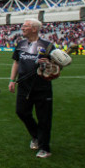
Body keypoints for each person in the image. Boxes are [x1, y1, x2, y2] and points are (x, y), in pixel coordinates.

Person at [8, 18, 56, 159]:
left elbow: (57, 67)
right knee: (21, 112)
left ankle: (44, 148)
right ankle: (36, 136)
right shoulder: (20, 44)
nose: (22, 28)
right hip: (23, 85)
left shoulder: (48, 46)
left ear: (34, 29)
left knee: (44, 118)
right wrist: (12, 80)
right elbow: (16, 62)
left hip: (42, 86)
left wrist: (47, 63)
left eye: (25, 26)